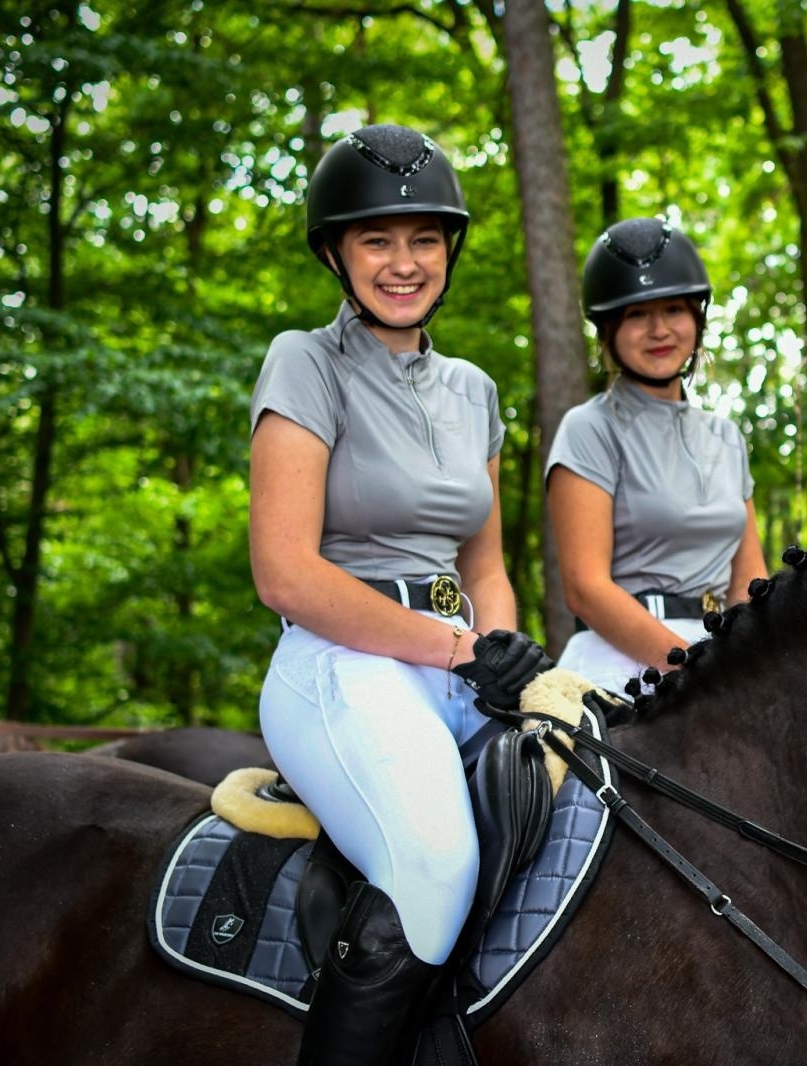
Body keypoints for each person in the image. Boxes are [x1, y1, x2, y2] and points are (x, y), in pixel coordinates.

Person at [248, 122, 551, 1066]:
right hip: (339, 668)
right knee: (435, 864)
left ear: (449, 250)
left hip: (457, 669)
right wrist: (455, 649)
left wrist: (496, 654)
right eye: (377, 239)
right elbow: (285, 573)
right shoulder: (305, 361)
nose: (403, 262)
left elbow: (487, 567)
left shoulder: (475, 391)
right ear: (337, 252)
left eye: (424, 238)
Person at [545, 217, 767, 695]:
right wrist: (690, 668)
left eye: (673, 310)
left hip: (723, 652)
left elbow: (749, 582)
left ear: (697, 318)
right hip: (627, 659)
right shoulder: (589, 428)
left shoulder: (727, 437)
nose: (659, 329)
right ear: (609, 328)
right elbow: (585, 587)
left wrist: (754, 660)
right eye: (638, 315)